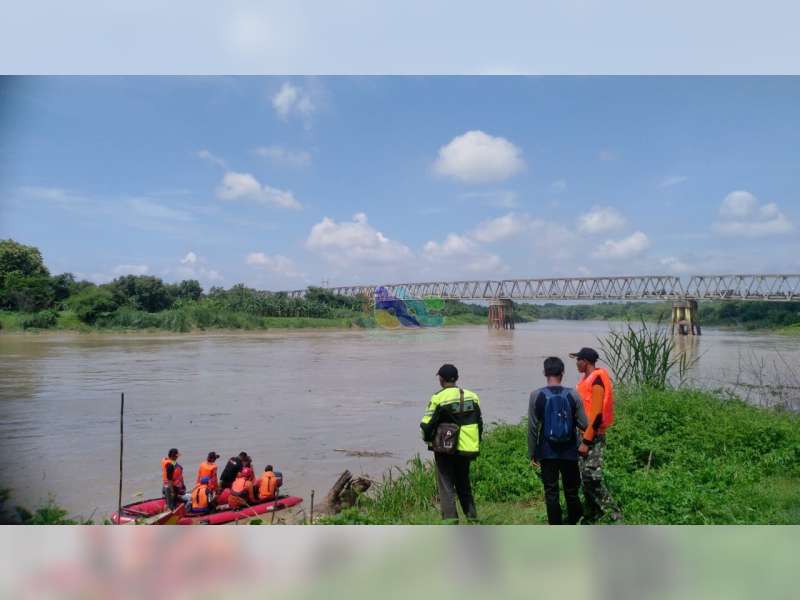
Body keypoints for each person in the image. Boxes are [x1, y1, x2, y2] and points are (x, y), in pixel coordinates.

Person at [420, 363, 483, 522]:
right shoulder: (472, 396)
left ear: (441, 379)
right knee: (464, 485)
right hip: (467, 447)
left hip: (445, 449)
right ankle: (473, 519)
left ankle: (451, 522)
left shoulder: (438, 398)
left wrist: (428, 440)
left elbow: (427, 425)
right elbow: (479, 423)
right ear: (457, 379)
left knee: (446, 487)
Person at [528, 357, 588, 525]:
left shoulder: (536, 395)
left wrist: (532, 452)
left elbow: (533, 428)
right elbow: (584, 423)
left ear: (544, 373)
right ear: (562, 373)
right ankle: (576, 522)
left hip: (547, 452)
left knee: (551, 492)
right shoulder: (573, 394)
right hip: (570, 451)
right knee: (571, 491)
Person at [570, 347, 623, 523]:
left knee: (592, 477)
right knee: (584, 478)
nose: (576, 363)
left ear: (585, 361)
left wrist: (586, 440)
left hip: (593, 437)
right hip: (584, 434)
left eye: (578, 360)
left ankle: (614, 514)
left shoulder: (597, 380)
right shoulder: (586, 379)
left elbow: (597, 414)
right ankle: (593, 513)